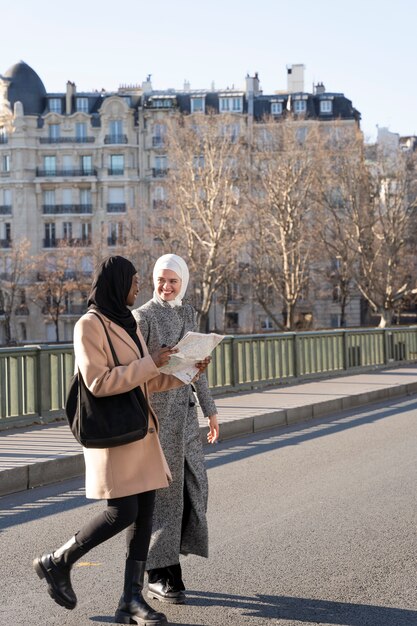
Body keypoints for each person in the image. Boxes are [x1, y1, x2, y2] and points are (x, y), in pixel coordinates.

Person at [33, 256, 210, 625]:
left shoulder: (127, 323)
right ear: (116, 283)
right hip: (115, 435)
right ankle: (57, 560)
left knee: (144, 514)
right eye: (132, 283)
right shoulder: (89, 326)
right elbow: (99, 382)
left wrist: (185, 372)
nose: (137, 289)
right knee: (122, 512)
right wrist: (151, 363)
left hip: (141, 433)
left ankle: (130, 601)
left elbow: (145, 379)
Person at [132, 253, 219, 605]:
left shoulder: (187, 312)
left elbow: (198, 369)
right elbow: (136, 368)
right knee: (165, 495)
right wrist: (160, 362)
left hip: (186, 416)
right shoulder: (143, 316)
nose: (166, 287)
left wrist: (211, 412)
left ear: (183, 282)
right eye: (161, 280)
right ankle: (159, 573)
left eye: (173, 281)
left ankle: (169, 563)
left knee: (194, 488)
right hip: (157, 417)